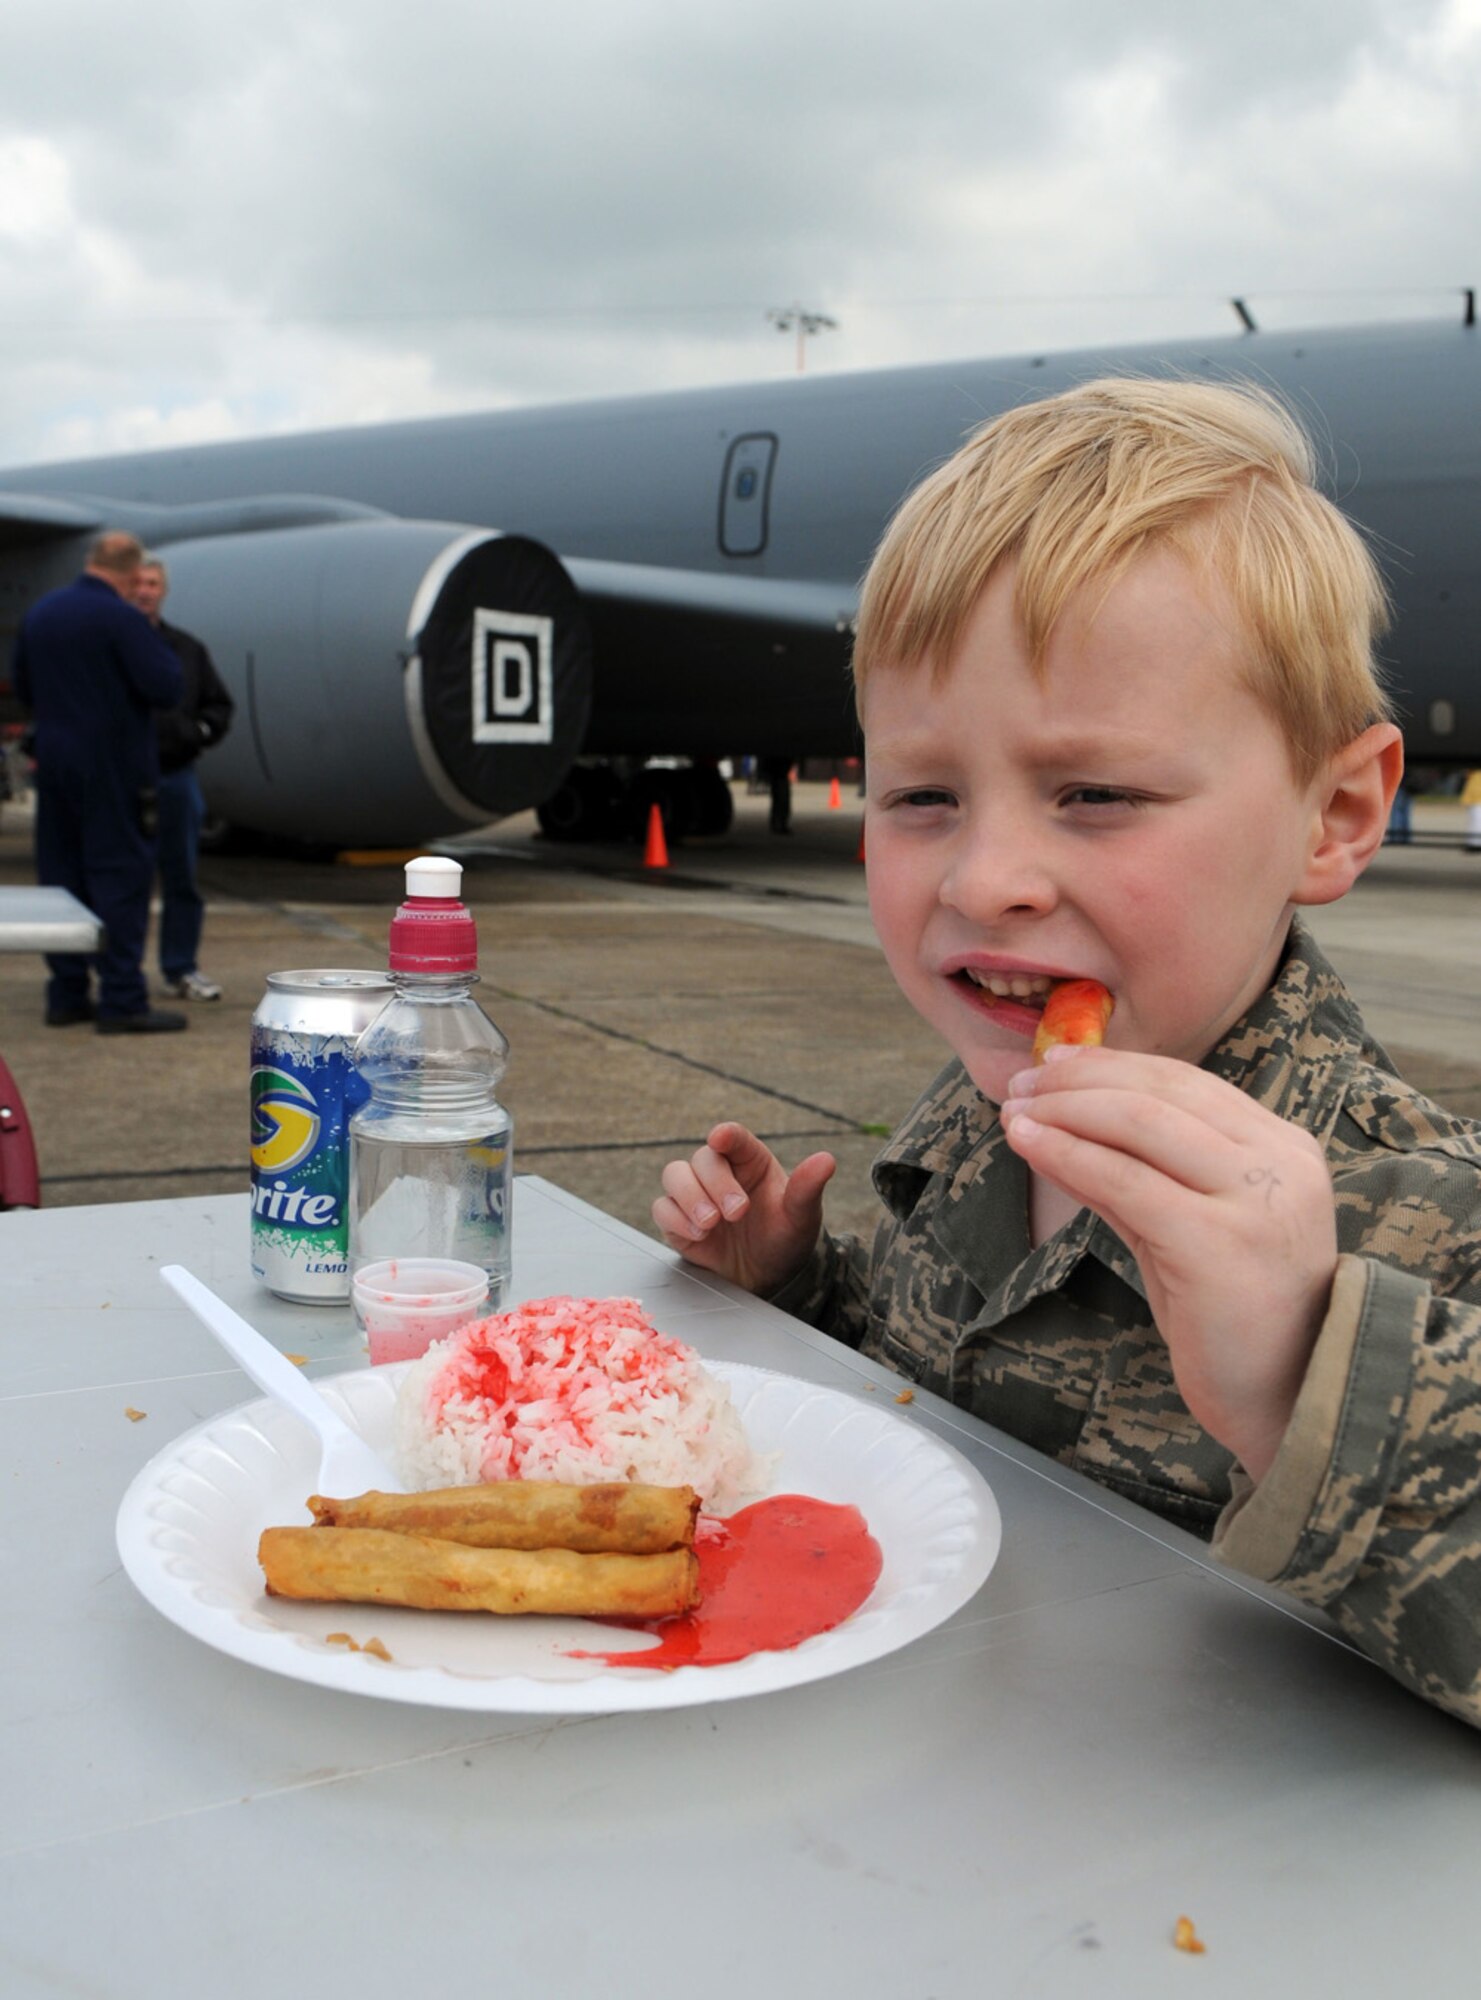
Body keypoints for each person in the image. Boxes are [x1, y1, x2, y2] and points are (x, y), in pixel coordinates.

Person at [654, 377, 1481, 1730]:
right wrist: (796, 1291)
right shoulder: (976, 1117)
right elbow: (941, 1379)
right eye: (921, 797)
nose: (988, 879)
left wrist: (1302, 1375)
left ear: (1331, 816)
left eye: (1093, 794)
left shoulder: (1426, 1218)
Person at [11, 531, 187, 1032]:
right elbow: (167, 685)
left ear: (91, 563)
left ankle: (66, 994)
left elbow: (22, 685)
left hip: (55, 762)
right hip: (114, 767)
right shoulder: (123, 619)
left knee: (62, 876)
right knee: (119, 878)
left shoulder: (43, 612)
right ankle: (122, 1000)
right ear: (133, 575)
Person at [131, 555, 234, 1000]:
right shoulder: (107, 647)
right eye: (136, 582)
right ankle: (119, 973)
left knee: (182, 879)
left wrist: (198, 732)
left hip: (176, 777)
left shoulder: (187, 650)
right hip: (121, 783)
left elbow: (219, 704)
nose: (145, 590)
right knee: (121, 881)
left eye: (152, 583)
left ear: (163, 590)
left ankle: (180, 968)